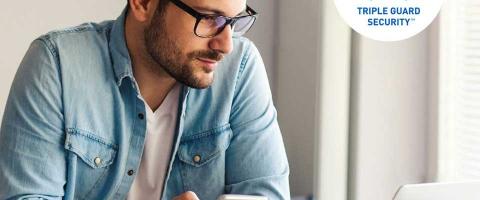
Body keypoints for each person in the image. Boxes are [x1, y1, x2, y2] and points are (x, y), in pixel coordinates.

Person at [0, 0, 290, 199]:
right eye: (209, 18)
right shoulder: (57, 65)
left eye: (235, 21)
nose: (225, 44)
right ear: (142, 3)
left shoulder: (239, 68)